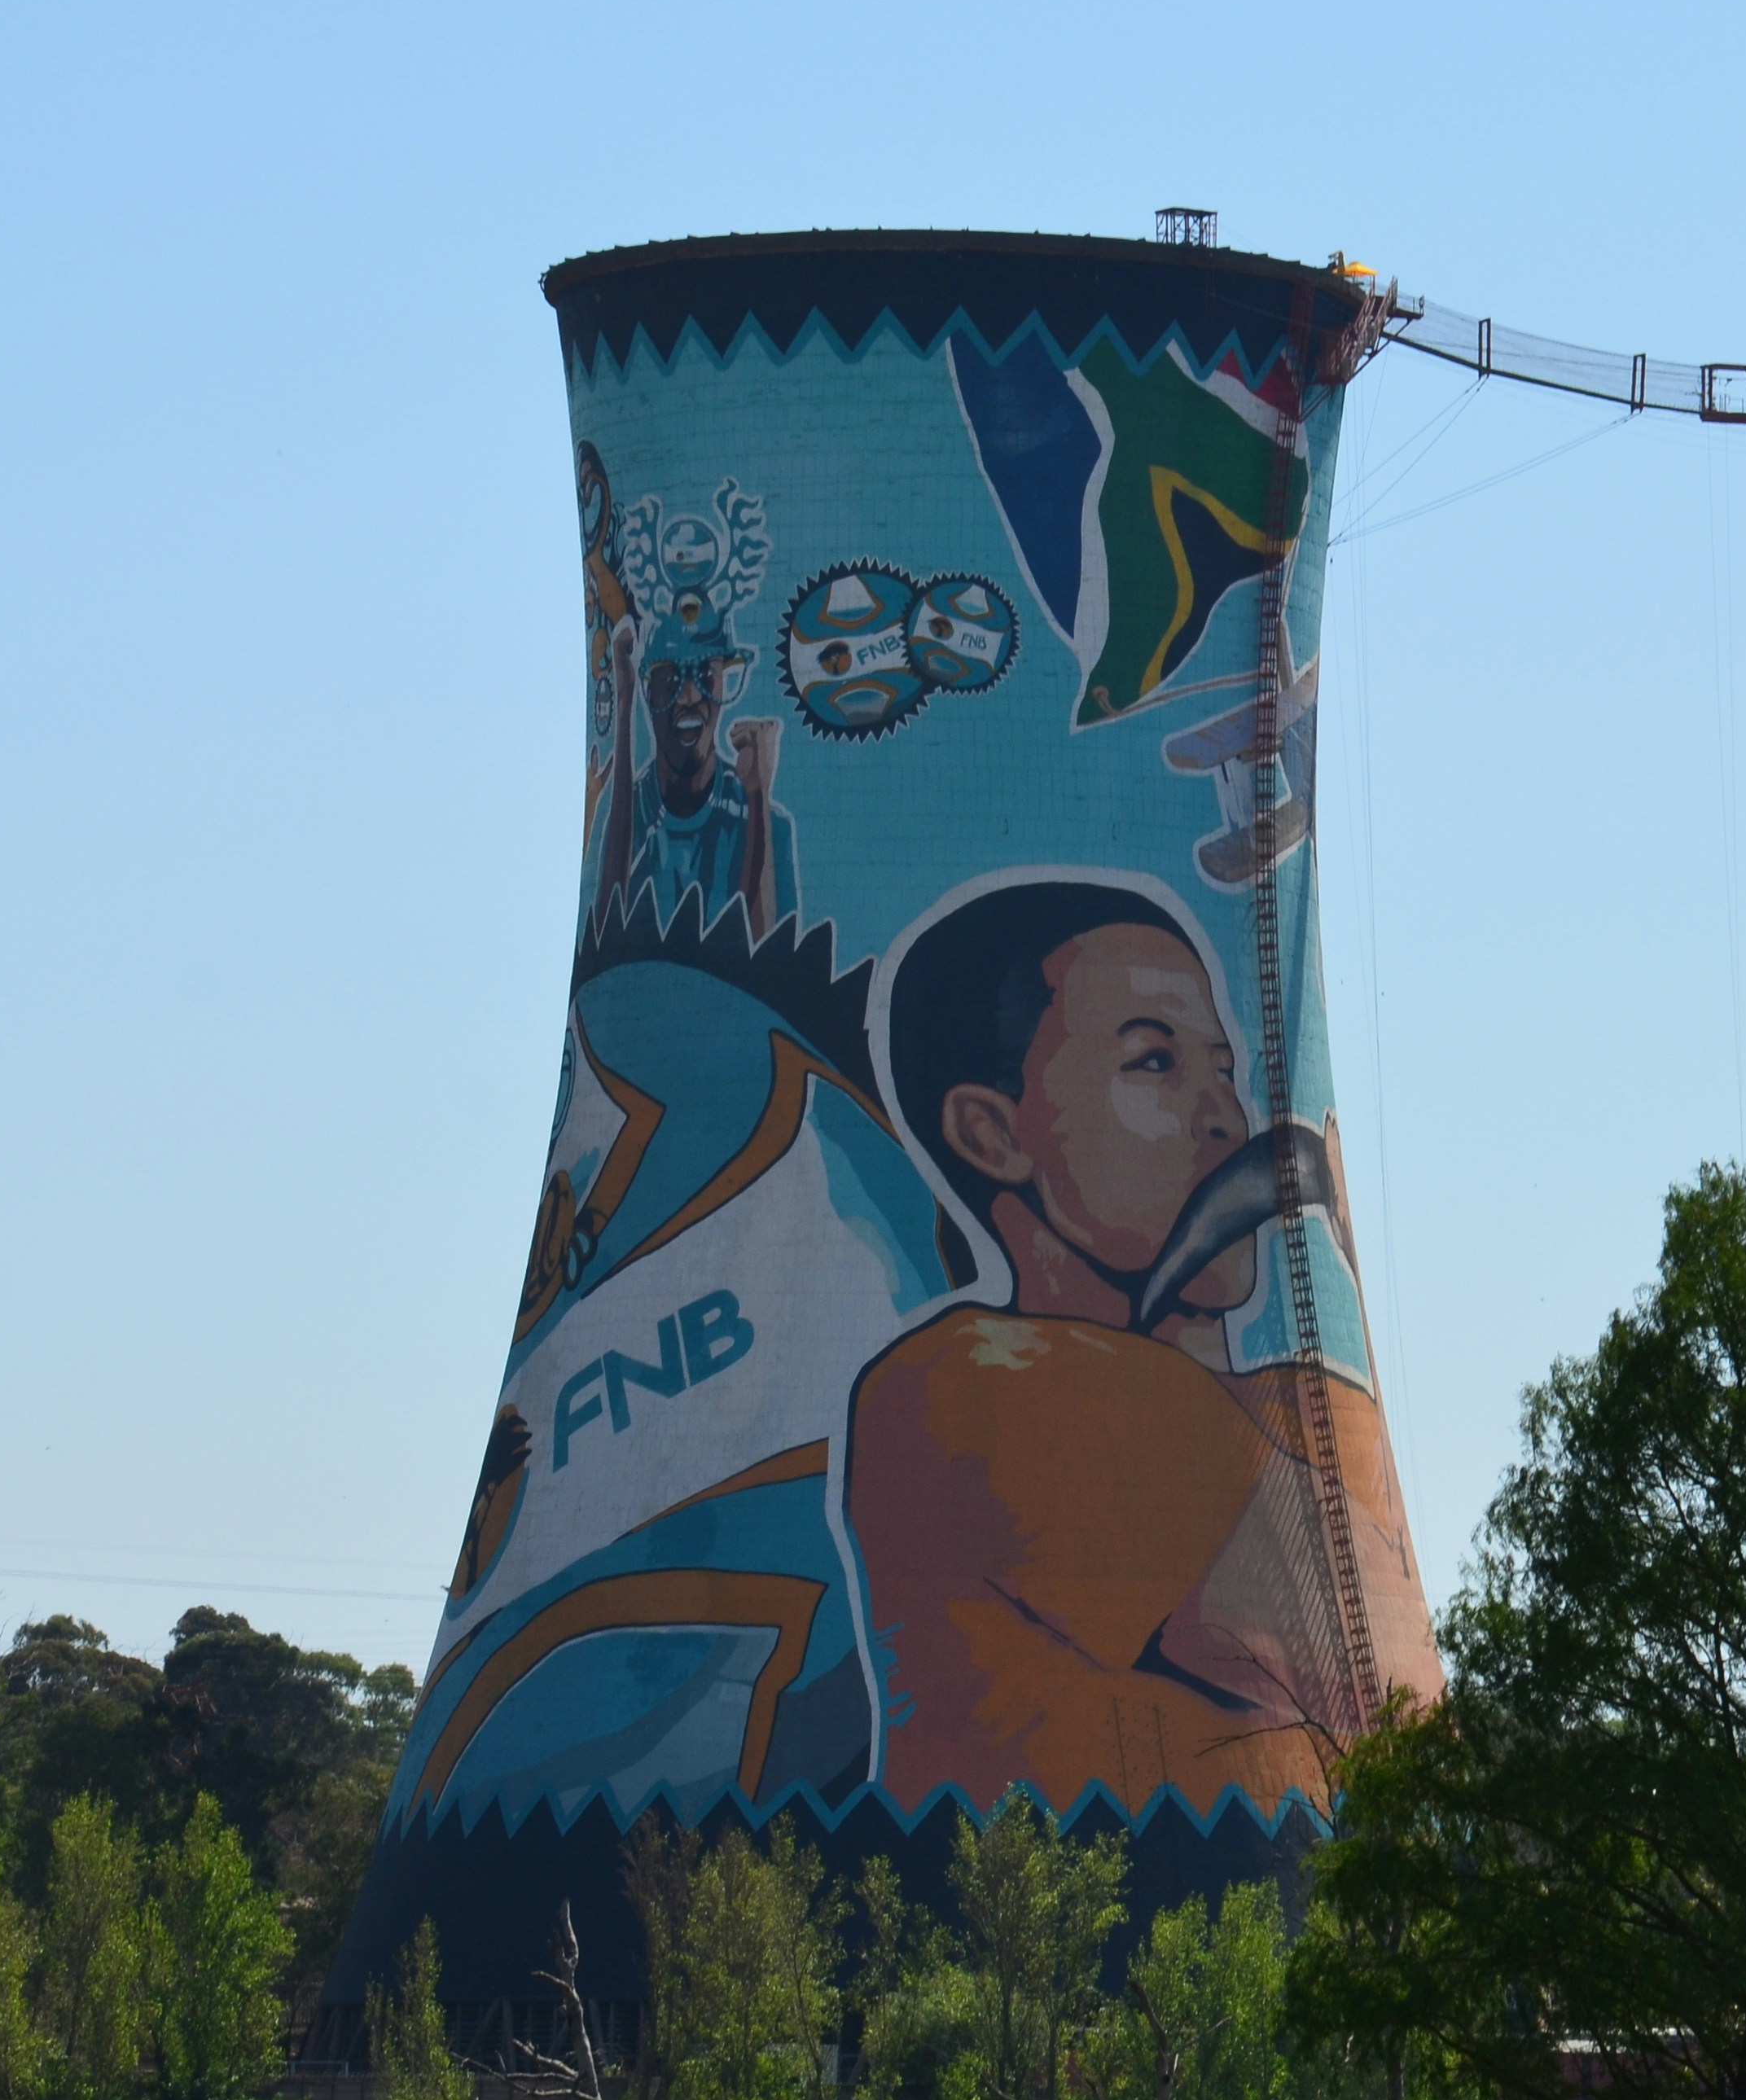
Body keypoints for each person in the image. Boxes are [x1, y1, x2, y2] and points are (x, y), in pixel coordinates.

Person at [844, 877, 1437, 1814]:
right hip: (1059, 1945)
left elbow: (1409, 1752)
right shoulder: (972, 1388)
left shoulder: (1313, 1406)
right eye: (1154, 1065)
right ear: (991, 1134)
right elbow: (1375, 1696)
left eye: (1221, 1069)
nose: (1223, 1116)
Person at [598, 590, 797, 935]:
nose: (689, 697)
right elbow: (605, 939)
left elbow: (768, 967)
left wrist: (758, 797)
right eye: (671, 679)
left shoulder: (765, 821)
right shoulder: (630, 822)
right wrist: (624, 698)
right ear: (648, 691)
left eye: (705, 675)